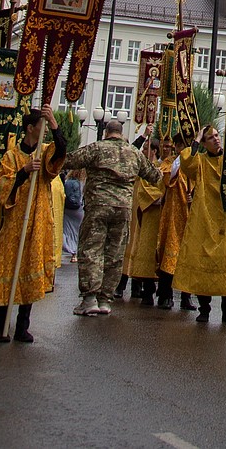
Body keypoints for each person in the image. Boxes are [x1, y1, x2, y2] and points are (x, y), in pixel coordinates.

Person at [65, 121, 162, 317]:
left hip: (98, 206)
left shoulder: (97, 148)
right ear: (120, 132)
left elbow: (69, 160)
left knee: (92, 250)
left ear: (106, 132)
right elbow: (154, 176)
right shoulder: (134, 153)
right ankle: (105, 300)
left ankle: (89, 298)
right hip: (123, 209)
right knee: (115, 254)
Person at [0, 107, 66, 343]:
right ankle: (1, 327)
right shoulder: (11, 156)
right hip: (14, 224)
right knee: (6, 271)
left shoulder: (44, 153)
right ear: (30, 128)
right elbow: (2, 187)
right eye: (41, 126)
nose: (43, 130)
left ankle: (23, 326)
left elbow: (61, 152)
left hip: (36, 223)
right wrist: (23, 172)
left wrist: (54, 125)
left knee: (30, 271)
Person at [174, 124, 226, 325]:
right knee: (203, 260)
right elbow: (186, 163)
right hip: (205, 216)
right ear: (205, 143)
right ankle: (204, 309)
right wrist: (196, 139)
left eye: (217, 135)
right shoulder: (200, 161)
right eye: (210, 137)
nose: (215, 139)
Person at [126, 139, 169, 307]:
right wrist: (161, 197)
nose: (144, 151)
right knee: (147, 252)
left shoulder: (169, 165)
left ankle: (165, 292)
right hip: (151, 214)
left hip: (166, 215)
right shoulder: (146, 167)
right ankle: (147, 290)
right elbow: (145, 189)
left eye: (168, 147)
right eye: (144, 148)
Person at [156, 135, 194, 311]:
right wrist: (181, 159)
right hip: (172, 214)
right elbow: (167, 178)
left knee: (188, 256)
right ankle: (165, 295)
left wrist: (192, 195)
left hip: (190, 214)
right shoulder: (169, 162)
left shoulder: (196, 162)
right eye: (181, 145)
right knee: (169, 254)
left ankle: (186, 297)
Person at [62, 169, 84, 260]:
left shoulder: (67, 181)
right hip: (79, 210)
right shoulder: (82, 182)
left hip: (67, 209)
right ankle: (75, 253)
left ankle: (68, 248)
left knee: (66, 230)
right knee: (77, 231)